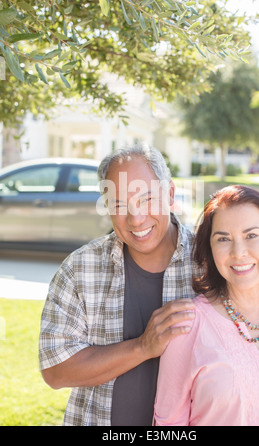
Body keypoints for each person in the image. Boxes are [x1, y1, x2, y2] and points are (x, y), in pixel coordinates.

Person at [39, 143, 198, 426]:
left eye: (147, 199)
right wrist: (142, 347)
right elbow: (55, 369)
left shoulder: (209, 261)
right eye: (119, 204)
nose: (135, 218)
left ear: (170, 194)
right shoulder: (80, 268)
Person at [154, 185, 259, 426]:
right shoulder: (187, 325)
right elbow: (169, 424)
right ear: (210, 251)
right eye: (223, 239)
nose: (238, 252)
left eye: (251, 235)